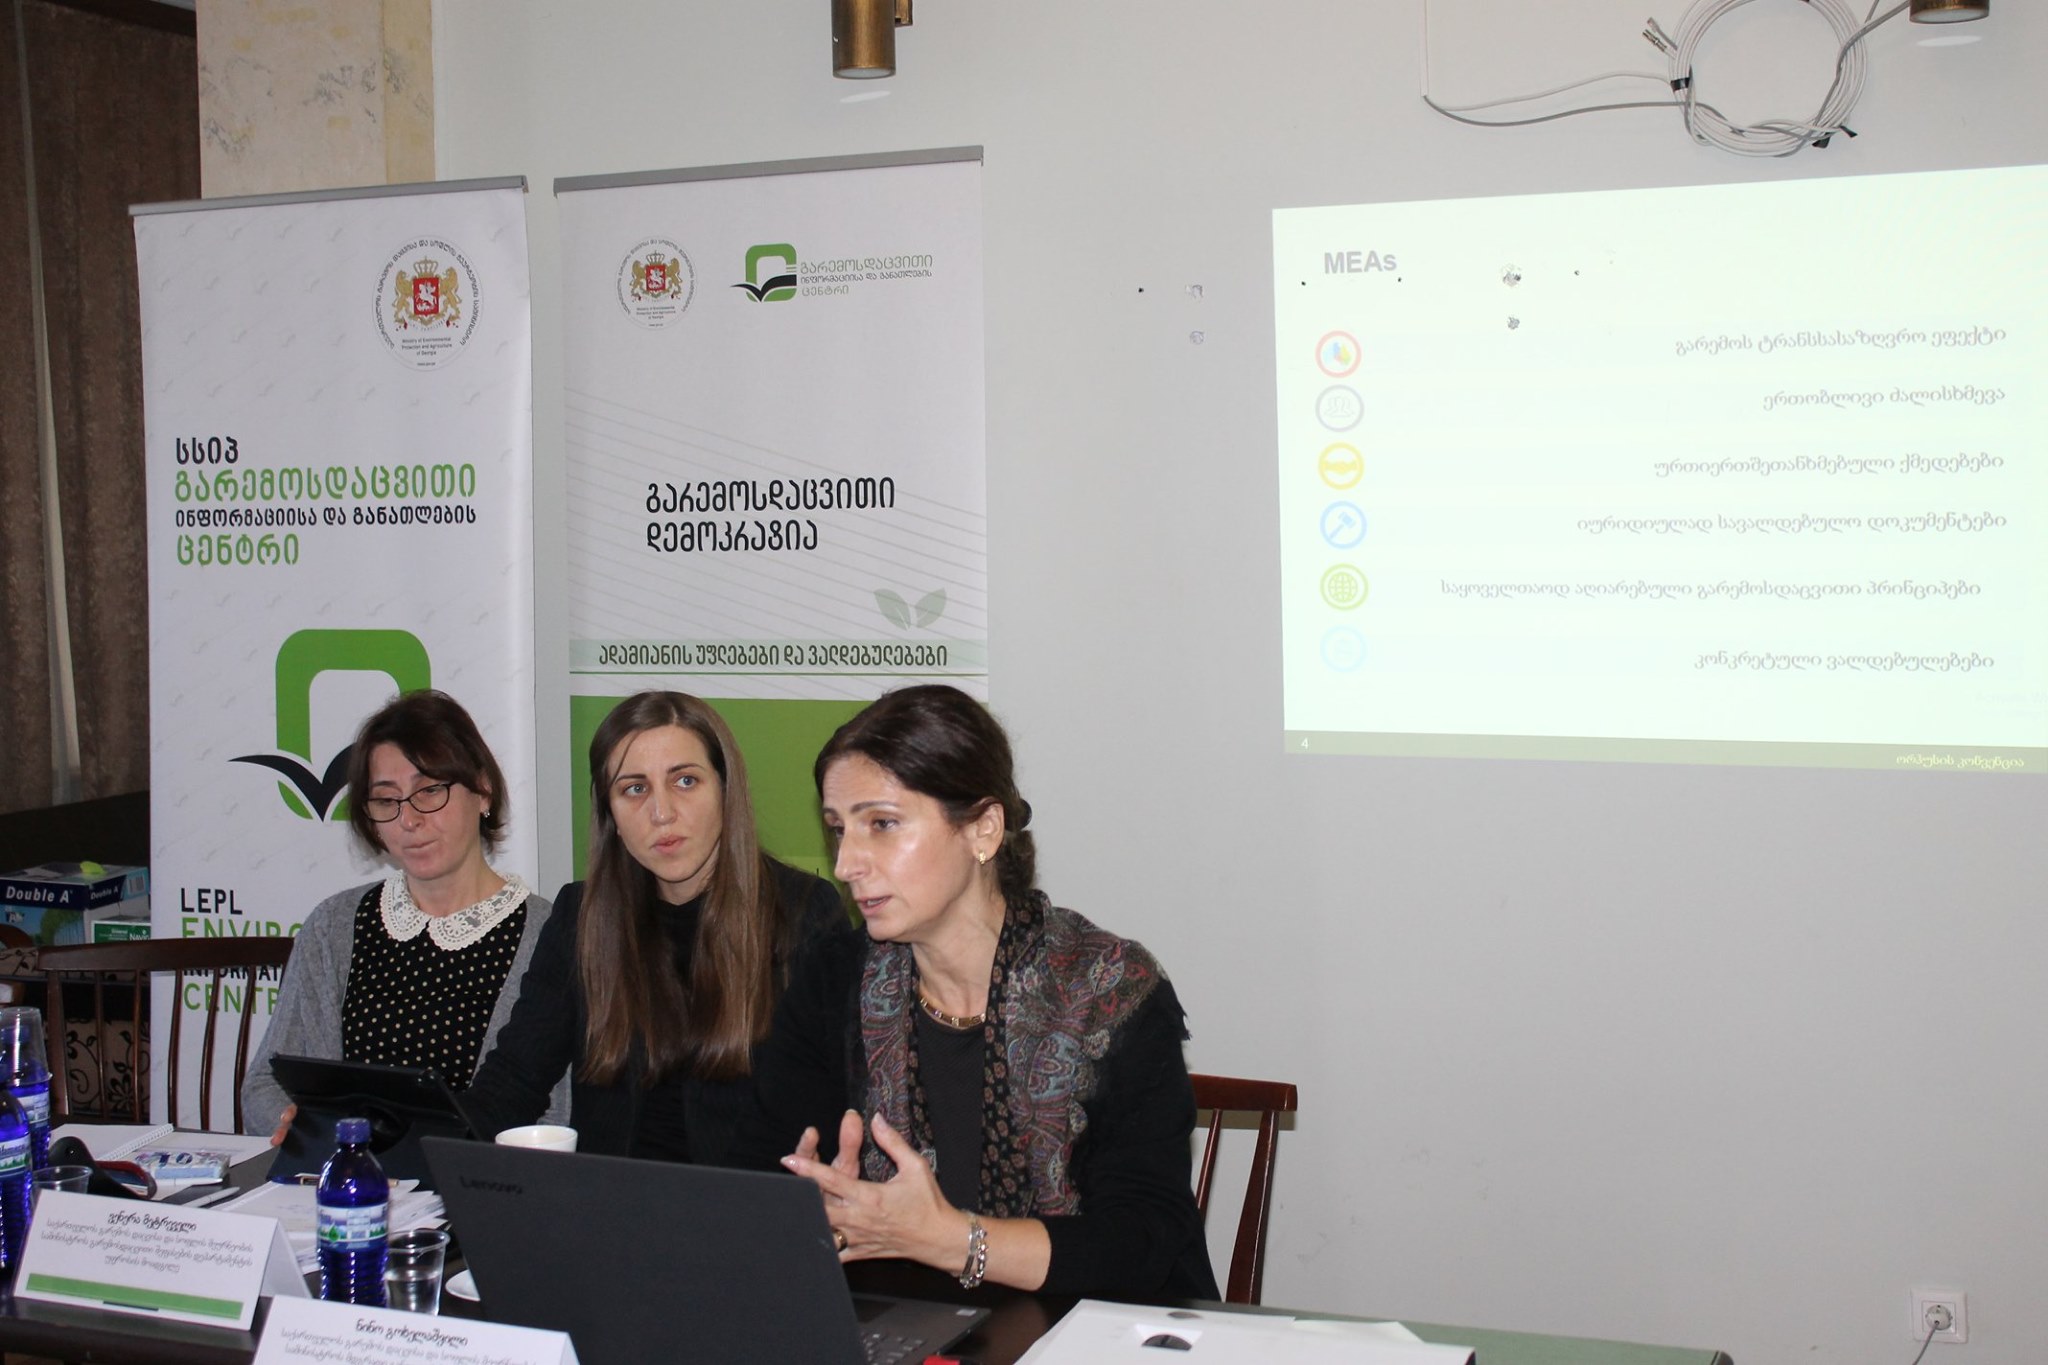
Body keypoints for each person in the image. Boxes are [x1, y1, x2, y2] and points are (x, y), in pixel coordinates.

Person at [730, 685, 1218, 1300]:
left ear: (983, 829)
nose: (847, 863)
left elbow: (1139, 1247)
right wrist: (812, 1216)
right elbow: (756, 1187)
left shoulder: (1110, 990)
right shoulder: (835, 981)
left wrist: (950, 1240)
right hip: (908, 1328)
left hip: (1094, 1330)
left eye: (882, 824)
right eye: (838, 829)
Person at [461, 691, 844, 1161]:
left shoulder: (803, 910)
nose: (662, 813)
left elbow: (831, 1103)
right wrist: (424, 1160)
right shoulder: (580, 916)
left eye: (685, 781)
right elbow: (514, 1081)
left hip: (750, 1199)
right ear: (610, 814)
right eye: (634, 789)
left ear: (725, 790)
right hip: (610, 1198)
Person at [244, 690, 566, 1137]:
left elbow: (557, 1114)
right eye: (386, 801)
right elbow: (264, 1083)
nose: (409, 820)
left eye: (429, 791)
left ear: (482, 791)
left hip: (474, 1174)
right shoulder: (333, 925)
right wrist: (302, 1129)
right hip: (351, 1172)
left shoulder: (550, 935)